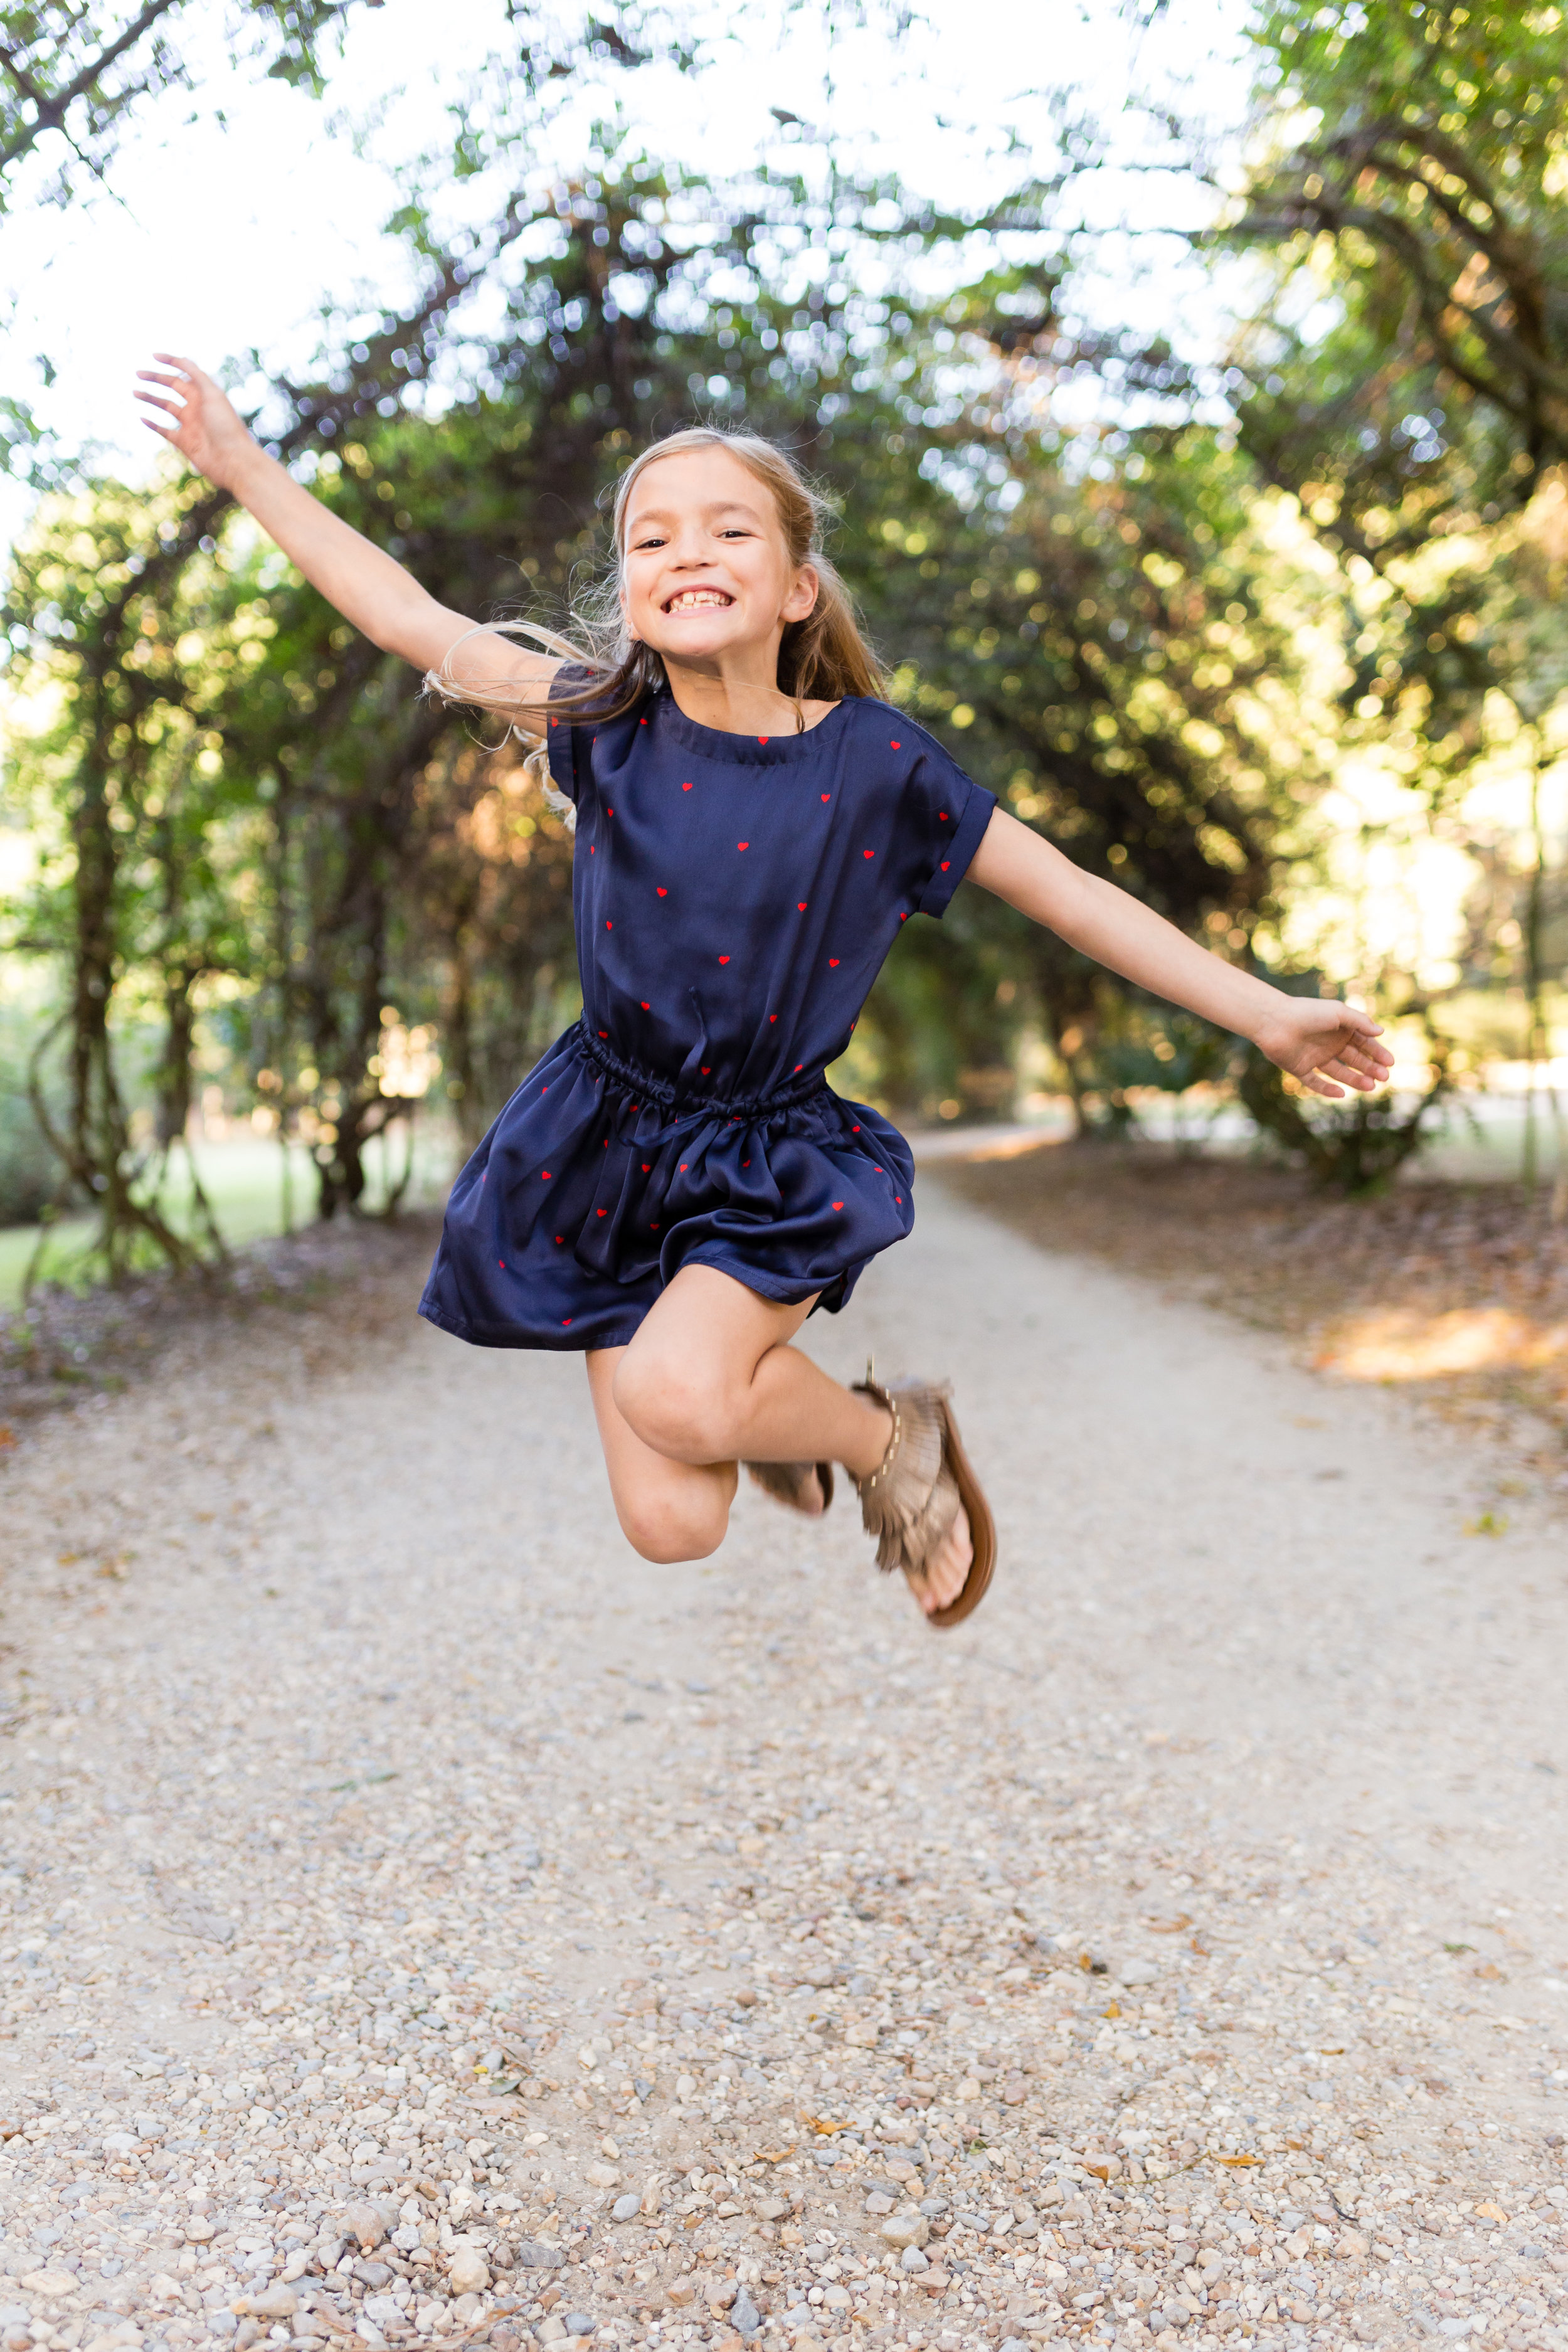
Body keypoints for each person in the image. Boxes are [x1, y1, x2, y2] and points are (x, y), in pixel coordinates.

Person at [135, 355, 1394, 1629]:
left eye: (727, 528)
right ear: (628, 591)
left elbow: (1069, 893)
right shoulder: (599, 725)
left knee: (680, 1398)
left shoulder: (875, 765)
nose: (686, 550)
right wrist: (242, 465)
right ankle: (771, 1407)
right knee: (673, 1525)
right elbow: (403, 615)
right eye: (650, 535)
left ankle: (876, 1440)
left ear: (796, 587)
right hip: (599, 1151)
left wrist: (1263, 1013)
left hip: (764, 1156)